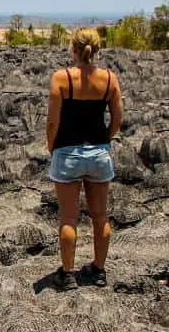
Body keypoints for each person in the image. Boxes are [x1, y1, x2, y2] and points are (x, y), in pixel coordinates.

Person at [45, 28, 123, 290]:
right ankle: (99, 271)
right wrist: (105, 140)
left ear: (73, 50)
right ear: (97, 50)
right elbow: (117, 120)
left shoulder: (61, 78)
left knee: (68, 218)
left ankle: (67, 275)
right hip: (99, 153)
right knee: (100, 216)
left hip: (67, 152)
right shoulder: (110, 79)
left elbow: (53, 120)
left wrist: (51, 145)